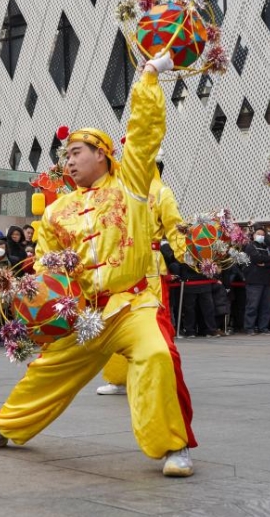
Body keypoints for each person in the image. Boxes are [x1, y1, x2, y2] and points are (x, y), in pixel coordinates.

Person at [0, 52, 197, 477]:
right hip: (84, 314)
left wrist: (148, 77)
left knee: (157, 355)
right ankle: (2, 426)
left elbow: (143, 136)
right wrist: (34, 304)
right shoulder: (55, 212)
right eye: (65, 156)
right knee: (46, 371)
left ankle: (172, 447)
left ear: (103, 155)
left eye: (75, 152)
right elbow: (47, 268)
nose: (67, 161)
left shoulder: (132, 188)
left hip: (131, 305)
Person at [97, 146, 187, 396]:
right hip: (122, 264)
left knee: (154, 321)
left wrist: (190, 255)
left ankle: (157, 376)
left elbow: (176, 229)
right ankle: (118, 378)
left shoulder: (161, 193)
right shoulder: (120, 192)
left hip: (150, 266)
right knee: (119, 317)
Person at [243, 226, 270, 335]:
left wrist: (265, 263)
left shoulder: (267, 247)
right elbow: (255, 258)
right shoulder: (250, 246)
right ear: (253, 235)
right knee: (252, 305)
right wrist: (267, 261)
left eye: (263, 234)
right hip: (254, 280)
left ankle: (263, 327)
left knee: (266, 306)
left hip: (267, 280)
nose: (261, 236)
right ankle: (249, 327)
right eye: (258, 234)